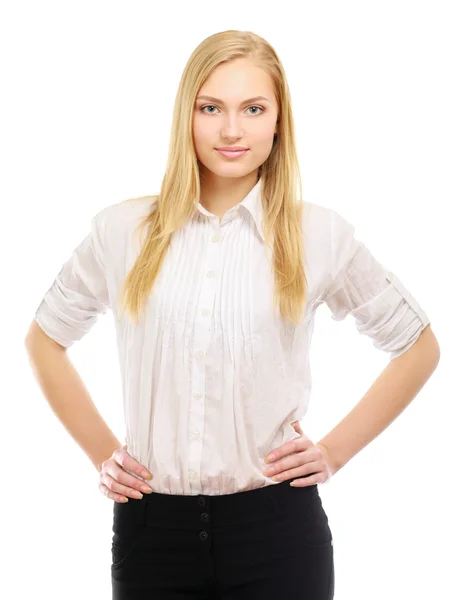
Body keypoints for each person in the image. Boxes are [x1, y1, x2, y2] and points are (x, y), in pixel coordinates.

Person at [24, 29, 438, 600]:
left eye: (253, 108)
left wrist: (333, 453)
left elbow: (418, 346)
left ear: (277, 121)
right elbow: (44, 339)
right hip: (151, 532)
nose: (231, 129)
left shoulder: (319, 234)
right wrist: (104, 456)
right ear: (186, 115)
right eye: (211, 107)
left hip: (279, 533)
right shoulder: (121, 231)